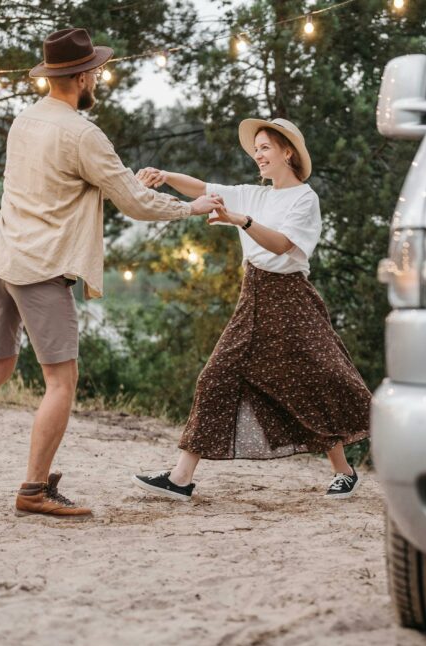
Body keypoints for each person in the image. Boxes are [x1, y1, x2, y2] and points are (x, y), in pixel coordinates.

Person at [0, 28, 223, 520]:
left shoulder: (23, 121)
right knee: (61, 381)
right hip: (40, 267)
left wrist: (116, 185)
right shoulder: (83, 133)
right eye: (94, 70)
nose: (98, 76)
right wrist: (193, 207)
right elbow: (136, 204)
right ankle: (34, 490)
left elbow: (70, 186)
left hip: (1, 256)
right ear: (80, 76)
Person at [131, 118, 372, 501]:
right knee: (216, 377)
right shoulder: (253, 193)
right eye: (255, 149)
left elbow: (281, 245)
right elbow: (204, 188)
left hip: (291, 298)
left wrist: (241, 220)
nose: (257, 155)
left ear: (287, 152)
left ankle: (344, 471)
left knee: (314, 381)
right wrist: (165, 175)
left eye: (264, 148)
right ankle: (181, 478)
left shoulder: (304, 199)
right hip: (254, 294)